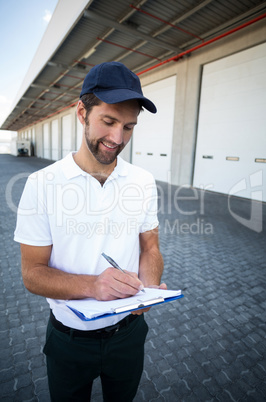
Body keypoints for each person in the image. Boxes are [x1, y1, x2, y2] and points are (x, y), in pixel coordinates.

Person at [14, 61, 165, 402]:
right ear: (82, 112)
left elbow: (151, 248)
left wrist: (150, 287)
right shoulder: (41, 184)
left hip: (129, 335)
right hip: (69, 341)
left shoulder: (142, 182)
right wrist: (93, 286)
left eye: (128, 127)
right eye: (108, 122)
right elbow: (32, 274)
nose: (118, 138)